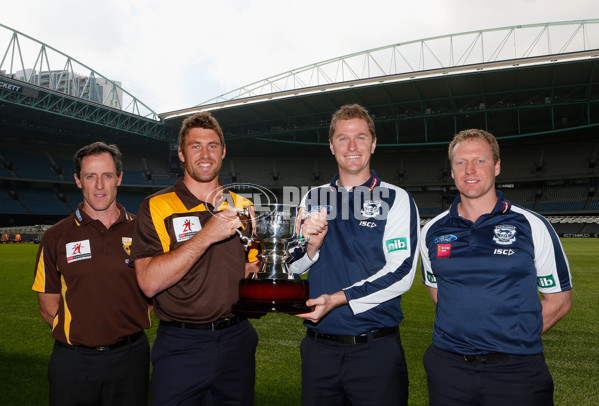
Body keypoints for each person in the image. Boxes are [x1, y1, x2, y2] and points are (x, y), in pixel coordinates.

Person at [420, 129, 573, 406]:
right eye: (461, 162)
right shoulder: (431, 230)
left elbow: (559, 301)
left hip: (517, 371)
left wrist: (513, 339)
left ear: (497, 166)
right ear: (452, 171)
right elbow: (438, 293)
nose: (470, 170)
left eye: (480, 160)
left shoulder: (532, 225)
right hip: (449, 369)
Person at [289, 104, 420, 406]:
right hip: (318, 349)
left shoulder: (395, 198)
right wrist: (311, 246)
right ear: (331, 145)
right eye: (342, 138)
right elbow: (292, 264)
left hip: (375, 350)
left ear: (373, 144)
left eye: (360, 138)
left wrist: (337, 299)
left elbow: (401, 273)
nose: (351, 146)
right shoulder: (313, 197)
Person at [130, 111, 259, 405]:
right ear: (181, 154)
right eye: (195, 145)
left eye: (212, 145)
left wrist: (264, 266)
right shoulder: (156, 206)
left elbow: (252, 269)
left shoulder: (243, 207)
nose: (205, 153)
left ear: (223, 152)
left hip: (236, 340)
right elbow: (148, 283)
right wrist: (207, 234)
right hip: (181, 345)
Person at [32, 142, 151, 406]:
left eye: (107, 175)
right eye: (90, 176)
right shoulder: (56, 236)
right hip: (73, 362)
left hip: (131, 358)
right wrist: (80, 333)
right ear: (78, 180)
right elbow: (47, 300)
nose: (99, 185)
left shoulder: (143, 232)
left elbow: (156, 285)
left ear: (119, 178)